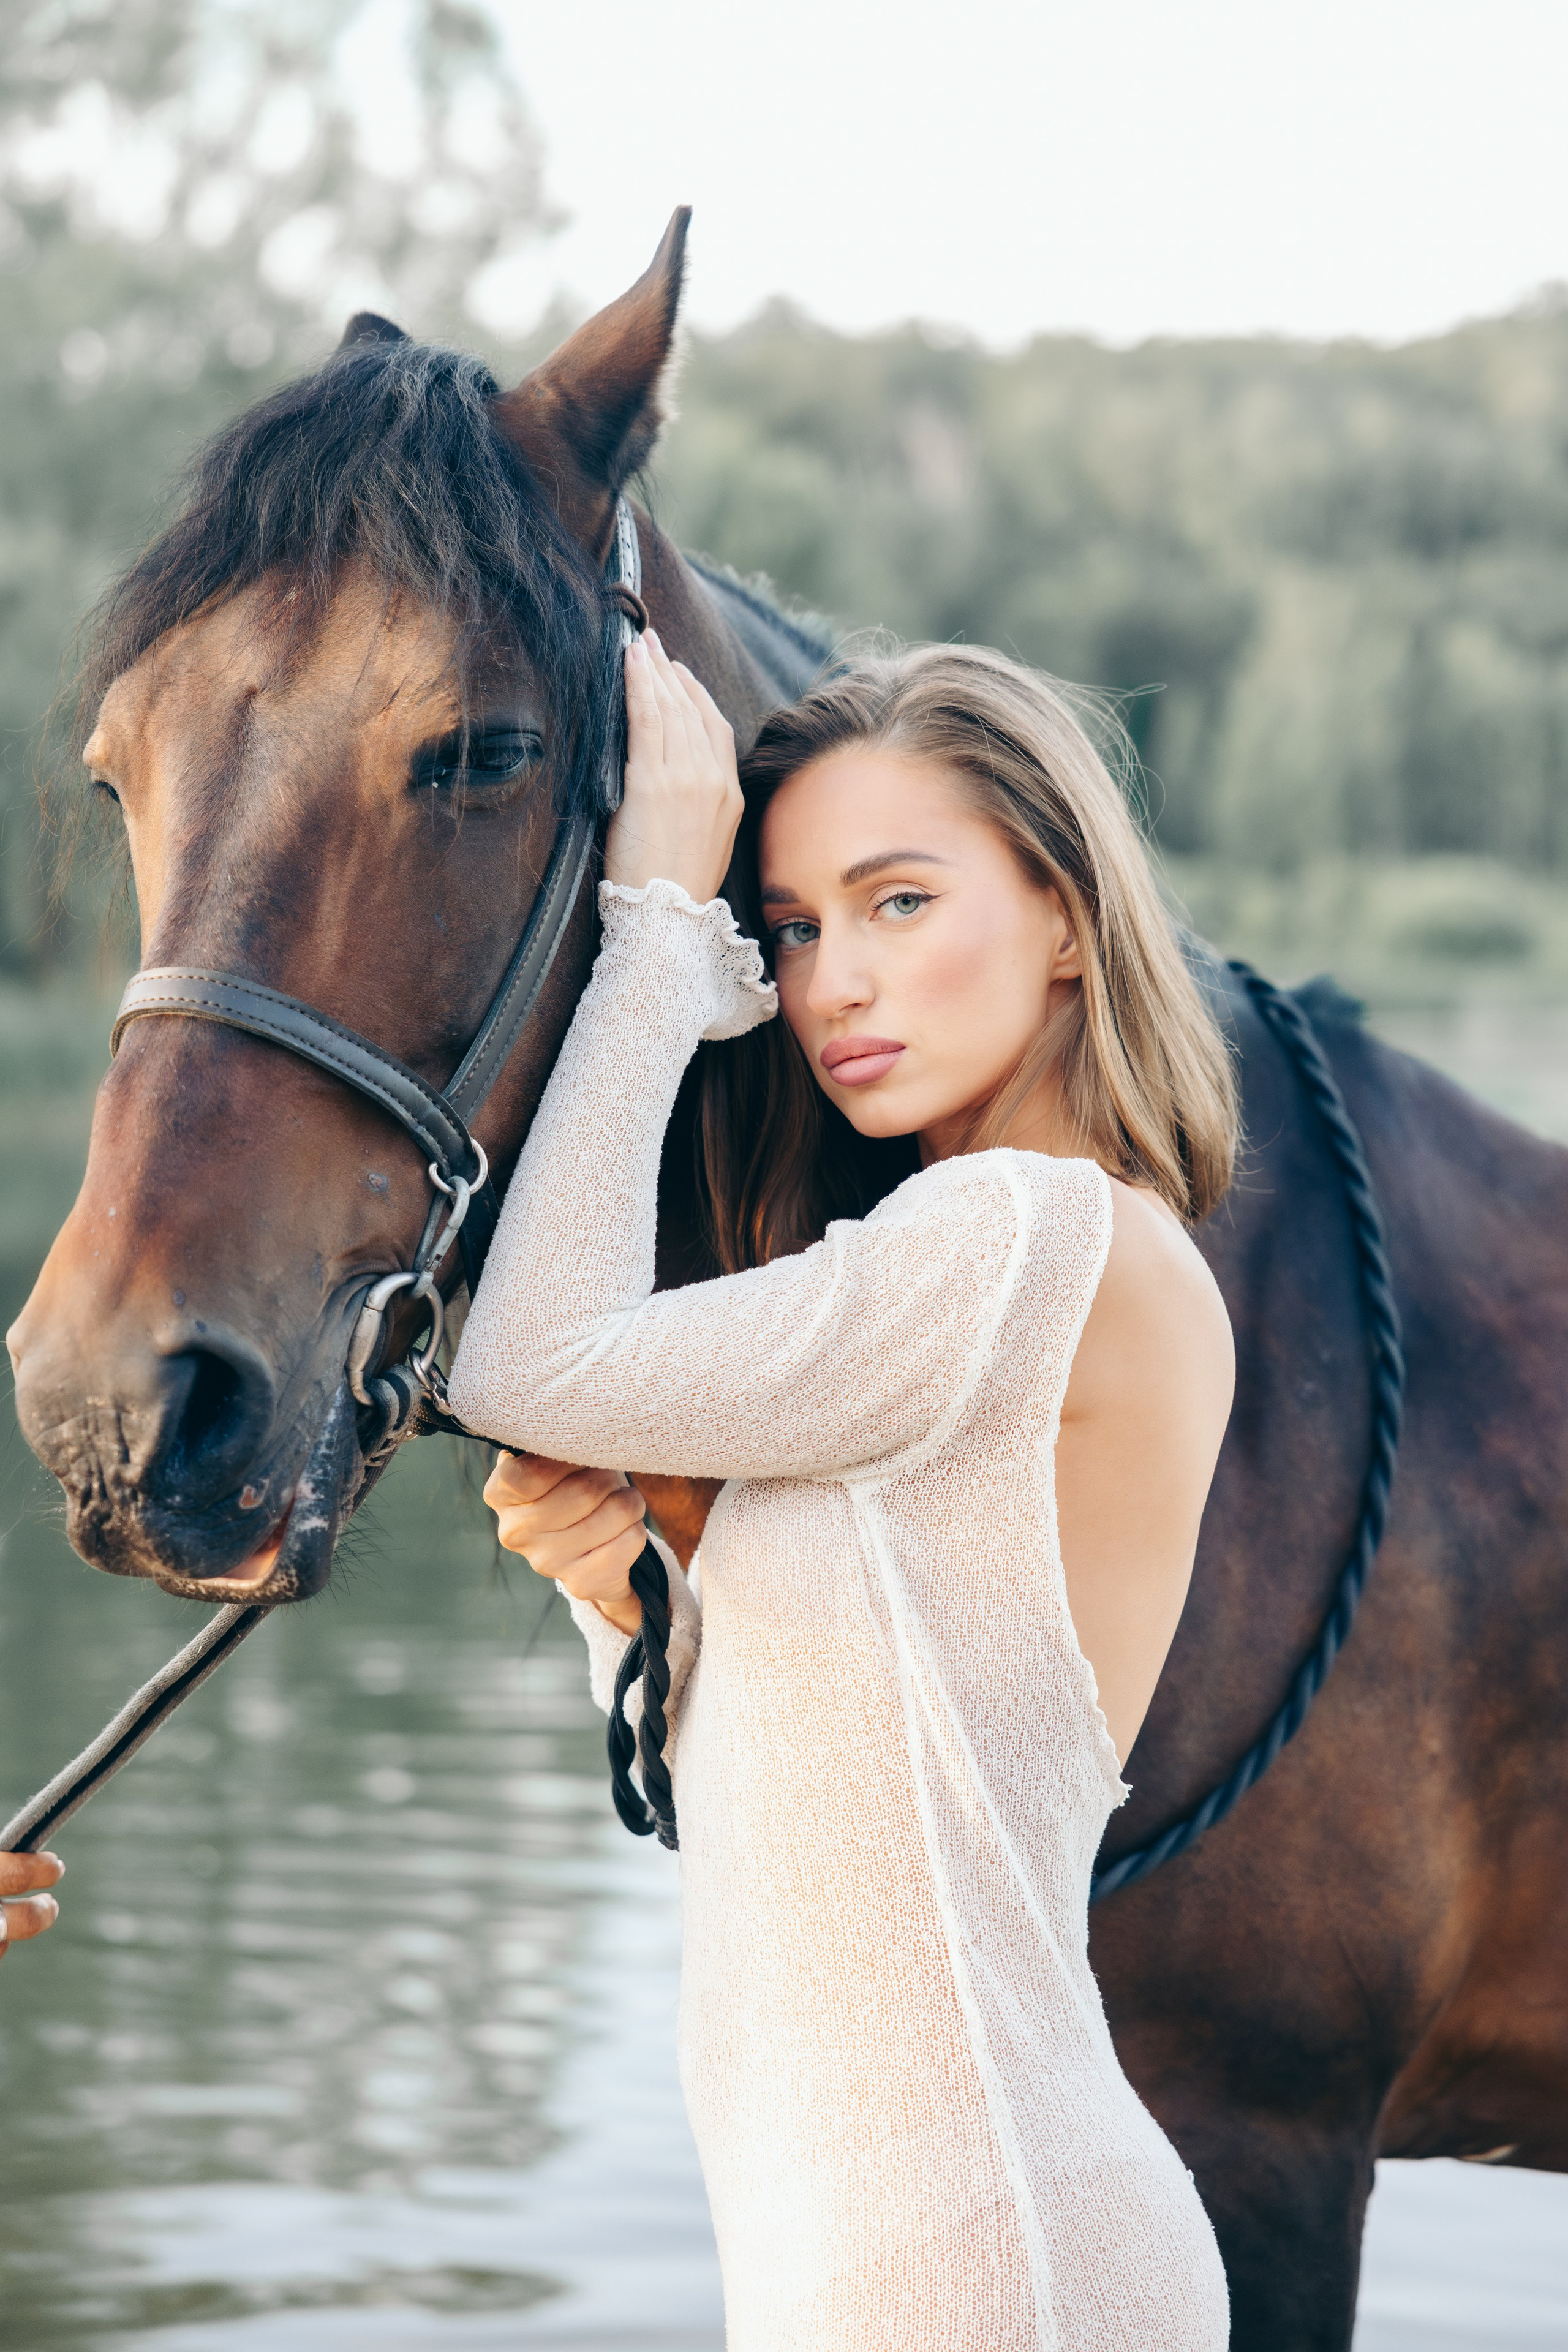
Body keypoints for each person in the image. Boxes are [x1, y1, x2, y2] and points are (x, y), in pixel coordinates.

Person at [448, 632, 1238, 2351]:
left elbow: (521, 1359)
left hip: (971, 2261)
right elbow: (787, 1809)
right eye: (791, 929)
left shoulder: (1023, 1237)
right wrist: (638, 1576)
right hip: (907, 2251)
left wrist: (661, 920)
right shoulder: (981, 1278)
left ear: (1068, 919)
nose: (827, 989)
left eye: (896, 903)